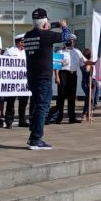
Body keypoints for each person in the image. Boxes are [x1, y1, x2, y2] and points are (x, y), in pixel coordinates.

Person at [24, 8, 74, 150]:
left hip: (32, 76)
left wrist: (50, 25)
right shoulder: (46, 36)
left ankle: (33, 135)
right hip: (43, 77)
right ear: (45, 22)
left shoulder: (28, 35)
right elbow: (67, 36)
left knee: (37, 105)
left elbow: (39, 28)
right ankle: (36, 139)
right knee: (43, 107)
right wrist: (63, 26)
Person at [53, 39, 86, 124]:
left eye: (73, 41)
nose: (71, 42)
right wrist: (57, 77)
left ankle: (72, 117)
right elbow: (56, 65)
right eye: (69, 41)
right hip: (63, 74)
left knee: (72, 96)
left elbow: (84, 62)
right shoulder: (60, 51)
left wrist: (92, 62)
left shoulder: (77, 51)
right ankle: (58, 117)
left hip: (73, 75)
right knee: (61, 96)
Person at [4, 34, 30, 129]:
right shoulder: (10, 51)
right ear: (18, 42)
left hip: (24, 80)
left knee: (24, 102)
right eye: (23, 42)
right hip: (13, 80)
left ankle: (22, 121)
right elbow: (2, 64)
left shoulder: (26, 52)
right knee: (11, 101)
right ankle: (9, 121)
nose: (24, 44)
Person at [80, 48, 95, 121]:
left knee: (89, 99)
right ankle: (85, 115)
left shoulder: (91, 62)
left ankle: (87, 115)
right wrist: (90, 63)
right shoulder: (83, 63)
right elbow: (86, 71)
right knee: (89, 99)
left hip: (92, 82)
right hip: (86, 83)